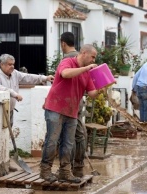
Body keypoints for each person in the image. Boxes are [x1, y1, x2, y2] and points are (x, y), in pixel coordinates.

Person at [40, 44, 100, 183]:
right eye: (92, 56)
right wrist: (86, 68)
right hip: (55, 107)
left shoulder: (87, 73)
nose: (93, 60)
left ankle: (65, 172)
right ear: (84, 53)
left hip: (71, 111)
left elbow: (92, 94)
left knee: (68, 143)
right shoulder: (68, 62)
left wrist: (103, 87)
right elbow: (65, 73)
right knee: (52, 141)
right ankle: (45, 171)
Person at [0, 54, 54, 127]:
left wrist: (45, 78)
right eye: (9, 64)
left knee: (7, 135)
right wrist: (14, 94)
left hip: (9, 110)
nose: (12, 66)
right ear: (1, 64)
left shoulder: (15, 73)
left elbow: (28, 78)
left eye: (13, 64)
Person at [60, 32, 86, 178]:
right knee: (78, 133)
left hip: (68, 101)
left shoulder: (68, 58)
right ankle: (78, 167)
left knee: (69, 135)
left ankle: (70, 168)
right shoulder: (82, 57)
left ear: (63, 43)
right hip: (79, 99)